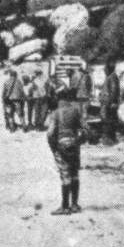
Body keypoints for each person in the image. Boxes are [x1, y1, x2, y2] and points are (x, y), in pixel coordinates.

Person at [46, 87, 86, 215]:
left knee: (65, 175)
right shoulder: (76, 111)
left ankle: (65, 207)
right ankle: (74, 205)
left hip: (61, 146)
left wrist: (53, 147)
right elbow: (86, 129)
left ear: (57, 98)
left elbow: (50, 133)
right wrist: (79, 141)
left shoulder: (55, 113)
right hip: (74, 146)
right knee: (74, 174)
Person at [98, 61, 120, 145]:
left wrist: (111, 102)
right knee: (109, 120)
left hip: (109, 103)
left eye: (105, 69)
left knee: (108, 121)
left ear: (108, 69)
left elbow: (114, 91)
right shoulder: (111, 77)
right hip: (108, 102)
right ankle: (110, 138)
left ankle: (109, 139)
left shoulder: (112, 77)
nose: (104, 70)